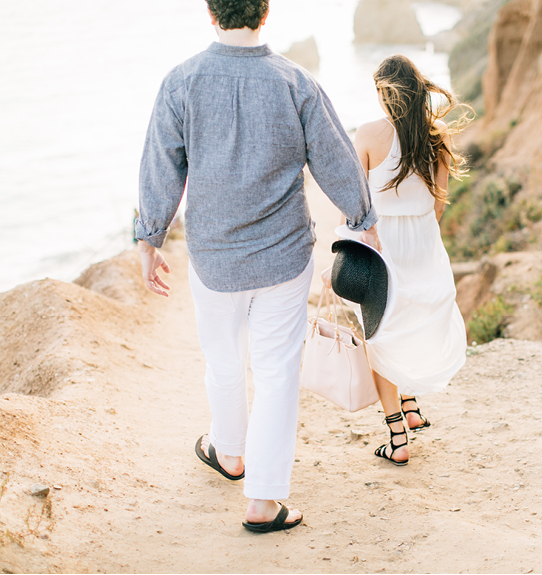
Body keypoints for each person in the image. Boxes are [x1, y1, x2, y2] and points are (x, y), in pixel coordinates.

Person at [135, 0, 379, 533]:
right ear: (264, 13)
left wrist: (149, 238)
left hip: (213, 258)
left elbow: (161, 165)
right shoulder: (296, 83)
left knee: (222, 362)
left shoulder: (181, 82)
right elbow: (337, 160)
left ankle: (229, 453)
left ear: (210, 12)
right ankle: (263, 502)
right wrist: (363, 220)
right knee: (276, 375)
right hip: (283, 257)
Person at [325, 55, 470, 465]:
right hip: (424, 249)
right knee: (407, 331)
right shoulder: (436, 137)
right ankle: (410, 406)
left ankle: (397, 437)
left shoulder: (369, 134)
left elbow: (354, 206)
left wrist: (341, 249)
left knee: (380, 339)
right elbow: (439, 206)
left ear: (384, 95)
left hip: (381, 253)